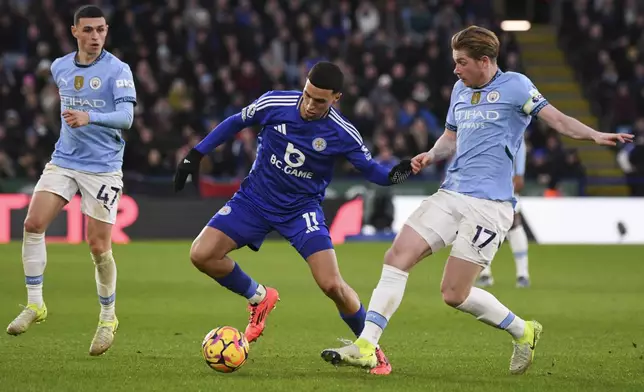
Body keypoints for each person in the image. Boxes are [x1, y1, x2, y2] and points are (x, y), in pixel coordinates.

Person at [321, 25, 633, 375]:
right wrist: (431, 154)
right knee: (397, 256)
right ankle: (367, 345)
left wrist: (593, 135)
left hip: (490, 205)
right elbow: (450, 137)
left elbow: (557, 119)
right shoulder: (459, 89)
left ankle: (523, 330)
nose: (455, 69)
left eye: (461, 62)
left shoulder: (516, 86)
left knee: (454, 293)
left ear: (484, 61)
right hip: (451, 193)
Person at [173, 61, 413, 375]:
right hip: (254, 200)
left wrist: (396, 176)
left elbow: (373, 172)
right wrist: (197, 153)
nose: (310, 105)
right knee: (201, 254)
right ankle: (259, 297)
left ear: (336, 98)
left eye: (320, 101)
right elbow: (235, 122)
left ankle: (370, 349)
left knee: (332, 285)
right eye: (307, 95)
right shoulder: (276, 103)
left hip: (301, 211)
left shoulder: (343, 133)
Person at [6, 5, 136, 357]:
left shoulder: (118, 70)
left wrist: (88, 117)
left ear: (106, 31)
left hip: (103, 168)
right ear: (74, 31)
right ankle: (36, 304)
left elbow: (126, 117)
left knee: (97, 247)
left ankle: (108, 318)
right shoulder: (59, 67)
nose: (95, 37)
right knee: (32, 223)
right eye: (89, 30)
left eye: (101, 30)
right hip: (64, 160)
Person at [476, 137, 531, 288]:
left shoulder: (506, 117)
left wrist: (519, 172)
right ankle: (484, 272)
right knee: (480, 223)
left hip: (505, 179)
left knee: (514, 223)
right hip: (480, 180)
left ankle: (522, 274)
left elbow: (519, 142)